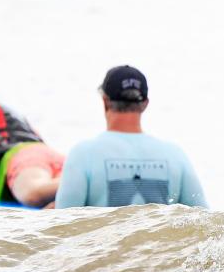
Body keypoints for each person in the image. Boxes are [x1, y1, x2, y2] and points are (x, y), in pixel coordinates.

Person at [55, 65, 208, 209]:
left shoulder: (83, 154)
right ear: (145, 104)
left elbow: (62, 226)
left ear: (105, 101)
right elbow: (204, 220)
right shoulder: (175, 155)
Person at [0, 80, 65, 208]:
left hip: (22, 159)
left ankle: (72, 184)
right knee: (49, 188)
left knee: (33, 194)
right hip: (51, 155)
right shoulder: (13, 114)